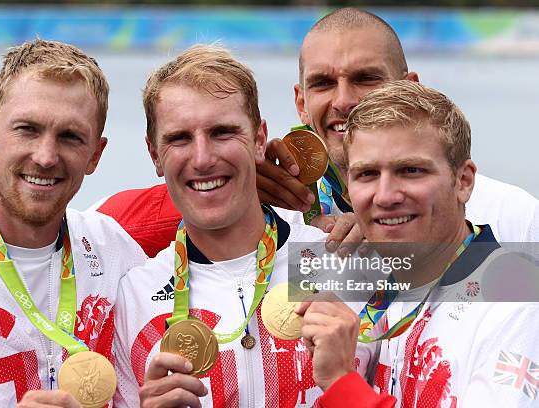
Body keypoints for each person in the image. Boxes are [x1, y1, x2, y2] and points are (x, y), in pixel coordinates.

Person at [94, 7, 537, 258]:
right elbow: (100, 230)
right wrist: (241, 194)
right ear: (300, 102)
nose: (343, 101)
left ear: (409, 87)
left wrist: (395, 245)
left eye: (366, 78)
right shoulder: (277, 209)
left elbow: (517, 302)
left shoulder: (506, 210)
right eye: (323, 83)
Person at [112, 44, 365, 407]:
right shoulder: (132, 296)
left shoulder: (344, 254)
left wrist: (390, 231)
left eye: (222, 132)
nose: (202, 158)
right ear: (154, 154)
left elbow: (471, 276)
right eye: (179, 138)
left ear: (259, 140)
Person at [0, 39, 146, 406]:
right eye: (27, 129)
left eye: (70, 137)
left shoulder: (118, 255)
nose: (46, 157)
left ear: (95, 154)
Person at [307, 80, 539, 407]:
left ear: (463, 181)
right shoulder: (377, 280)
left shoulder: (519, 298)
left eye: (411, 170)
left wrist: (341, 383)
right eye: (367, 174)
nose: (385, 196)